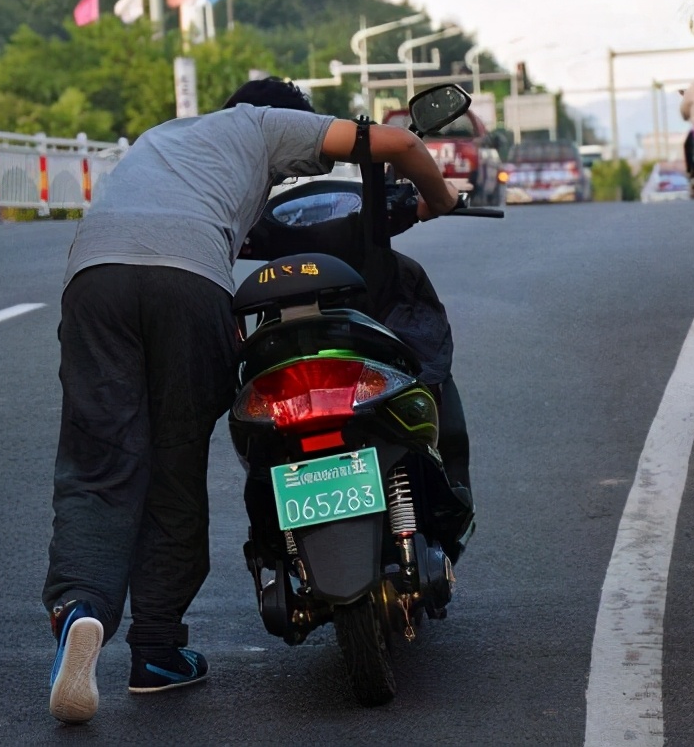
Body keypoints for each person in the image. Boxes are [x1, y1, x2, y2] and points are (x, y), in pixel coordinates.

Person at [43, 77, 458, 725]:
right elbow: (398, 144)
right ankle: (155, 650)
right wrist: (440, 198)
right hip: (190, 282)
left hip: (94, 278)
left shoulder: (163, 138)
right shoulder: (263, 125)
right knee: (175, 466)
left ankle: (81, 610)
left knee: (98, 465)